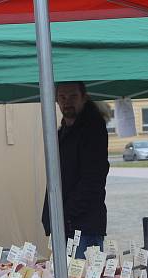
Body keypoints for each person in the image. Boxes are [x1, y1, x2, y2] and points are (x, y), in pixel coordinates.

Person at [41, 81, 109, 259]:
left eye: (73, 96)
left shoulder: (93, 129)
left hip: (83, 226)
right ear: (55, 100)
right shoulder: (63, 131)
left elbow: (92, 180)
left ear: (84, 98)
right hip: (65, 225)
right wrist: (50, 217)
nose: (67, 102)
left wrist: (63, 215)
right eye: (62, 97)